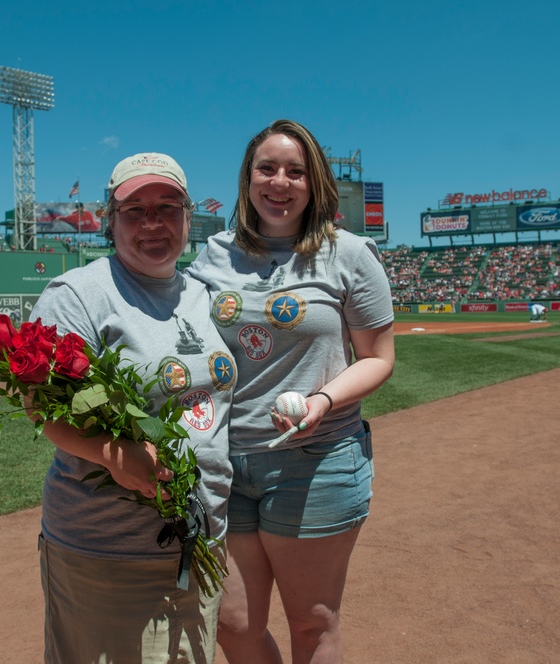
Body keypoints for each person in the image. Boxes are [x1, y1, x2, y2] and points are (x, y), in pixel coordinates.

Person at [186, 119, 396, 664]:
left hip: (316, 459)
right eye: (268, 168)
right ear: (248, 178)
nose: (280, 182)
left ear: (314, 182)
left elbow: (378, 359)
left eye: (295, 171)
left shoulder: (349, 254)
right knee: (233, 625)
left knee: (312, 625)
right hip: (223, 465)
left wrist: (322, 401)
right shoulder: (212, 255)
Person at [28, 153, 235, 663]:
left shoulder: (202, 294)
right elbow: (42, 405)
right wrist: (115, 454)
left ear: (189, 217)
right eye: (134, 209)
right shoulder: (79, 295)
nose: (152, 223)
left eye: (168, 207)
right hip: (108, 550)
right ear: (109, 219)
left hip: (200, 538)